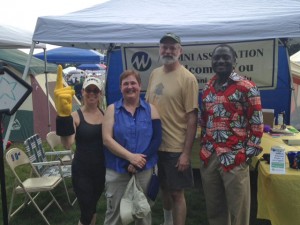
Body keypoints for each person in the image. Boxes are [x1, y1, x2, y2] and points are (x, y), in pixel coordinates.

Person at [199, 44, 264, 225]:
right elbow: (204, 121)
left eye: (225, 57)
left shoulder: (247, 87)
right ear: (211, 61)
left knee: (239, 212)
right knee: (215, 211)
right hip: (210, 156)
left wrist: (246, 155)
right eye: (217, 57)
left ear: (234, 61)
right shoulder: (207, 89)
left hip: (235, 157)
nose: (220, 61)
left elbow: (257, 125)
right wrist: (204, 147)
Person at [145, 33, 199, 225]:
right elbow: (148, 107)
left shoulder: (188, 79)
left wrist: (186, 153)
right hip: (155, 146)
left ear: (180, 51)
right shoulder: (154, 74)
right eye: (164, 47)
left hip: (175, 147)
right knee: (163, 189)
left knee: (177, 193)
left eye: (172, 47)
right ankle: (167, 221)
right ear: (159, 50)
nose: (168, 51)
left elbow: (192, 117)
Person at [102, 69, 162, 225]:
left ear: (140, 86)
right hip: (117, 171)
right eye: (125, 84)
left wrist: (140, 162)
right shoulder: (112, 110)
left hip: (144, 170)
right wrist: (130, 158)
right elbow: (107, 139)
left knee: (142, 213)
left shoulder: (151, 109)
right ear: (121, 87)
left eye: (133, 83)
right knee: (115, 215)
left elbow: (156, 139)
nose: (130, 87)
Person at [54, 66, 106, 225]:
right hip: (82, 170)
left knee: (93, 207)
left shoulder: (106, 115)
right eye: (88, 90)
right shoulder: (75, 116)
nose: (91, 93)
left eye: (95, 91)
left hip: (100, 169)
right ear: (82, 92)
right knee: (86, 210)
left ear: (100, 94)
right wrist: (63, 117)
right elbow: (67, 143)